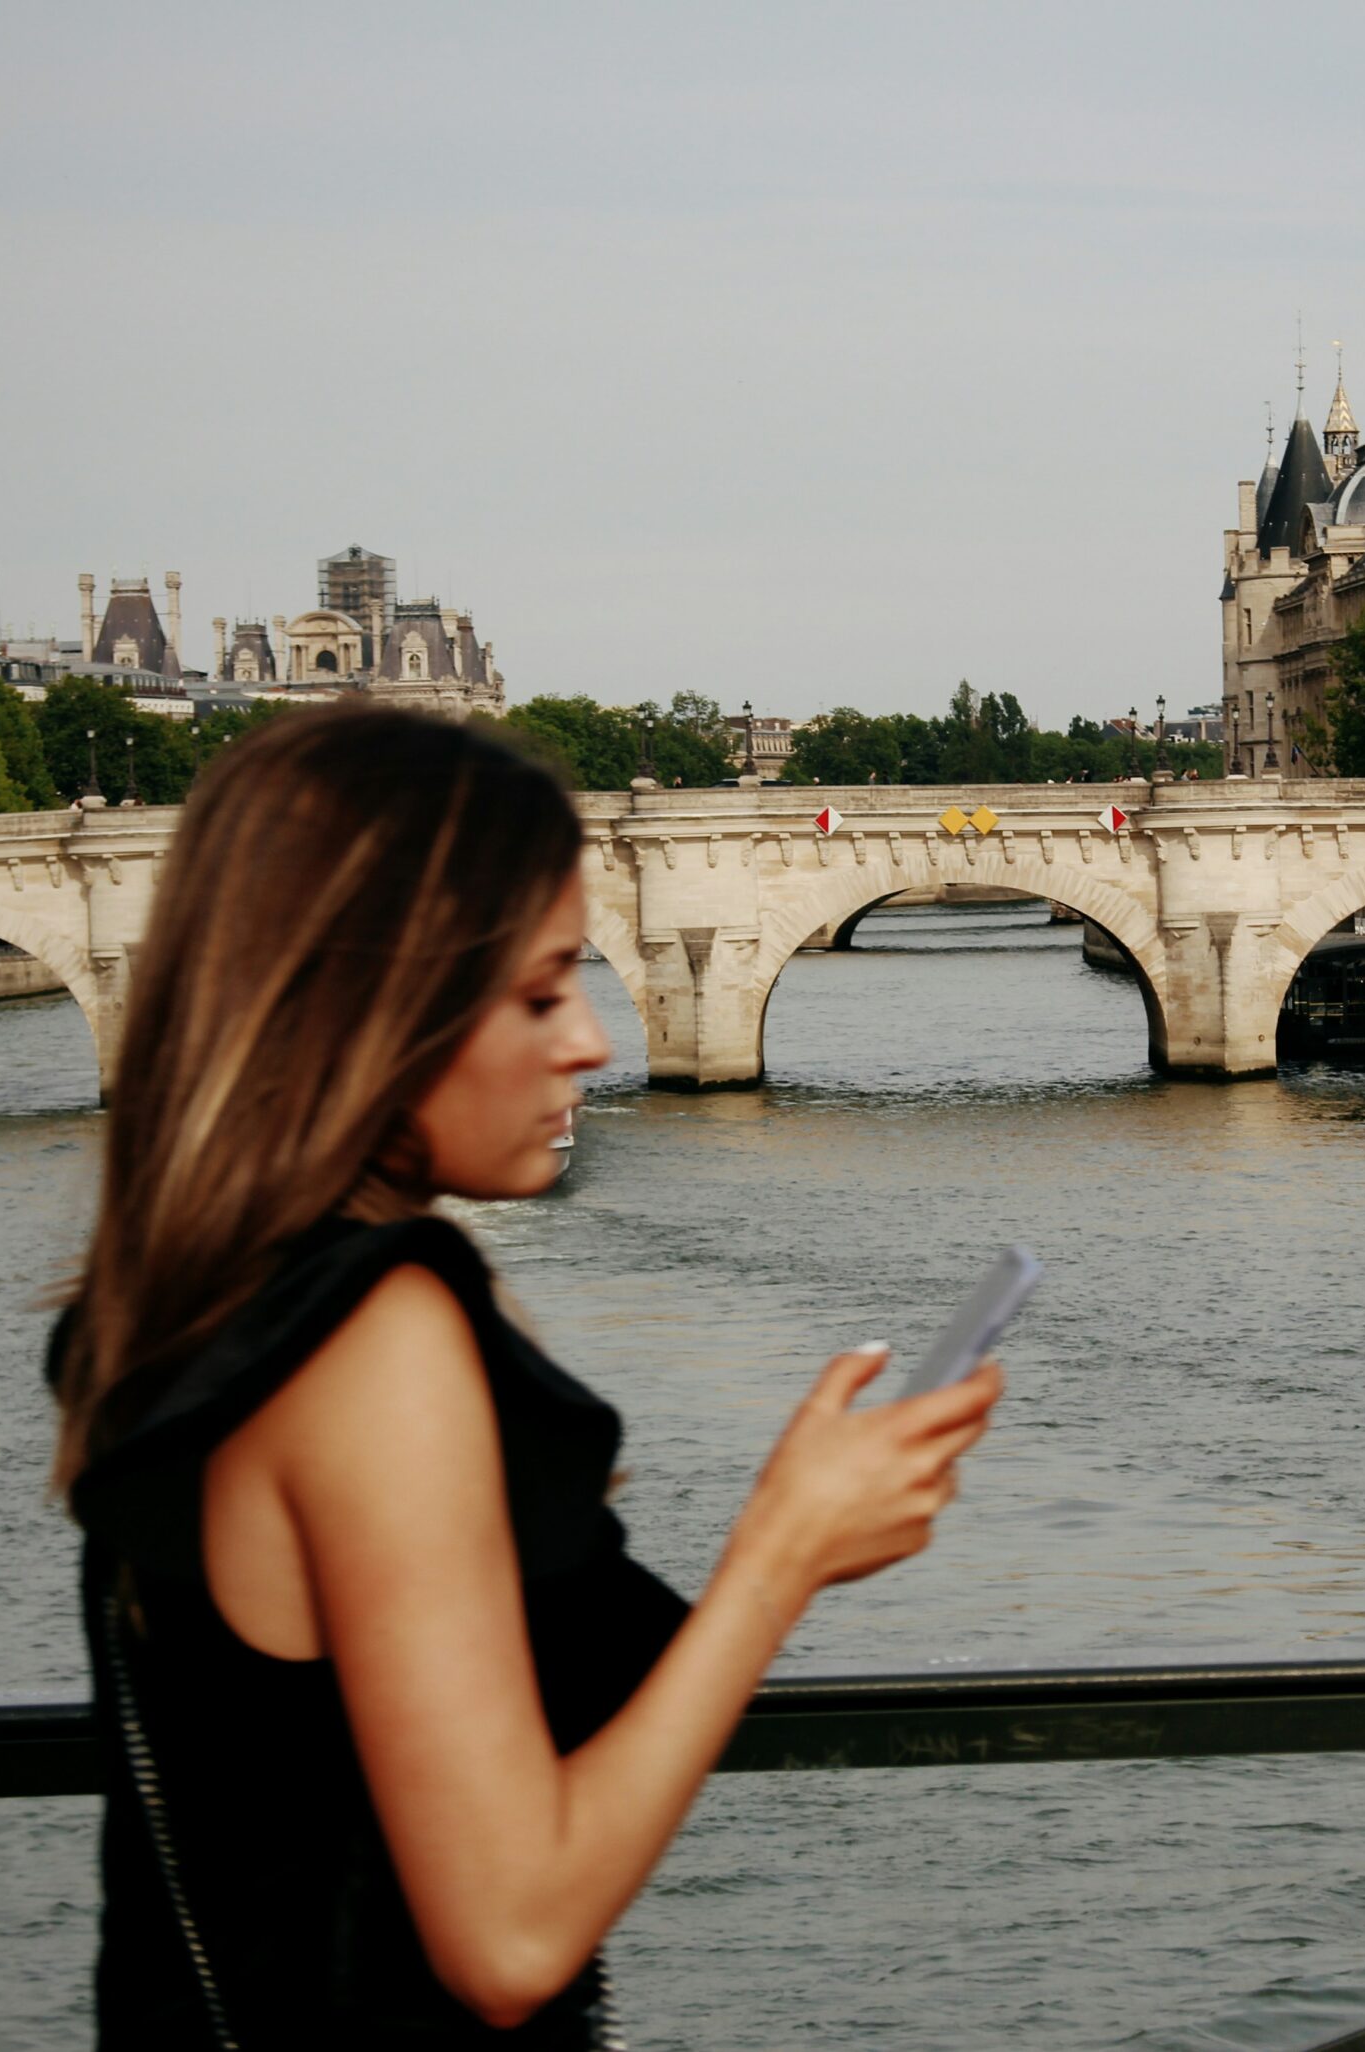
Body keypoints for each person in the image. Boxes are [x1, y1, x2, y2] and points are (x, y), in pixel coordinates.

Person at [48, 706, 999, 2047]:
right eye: (545, 989)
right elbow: (509, 1933)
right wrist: (780, 1558)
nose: (595, 1044)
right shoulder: (374, 1335)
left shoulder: (201, 1305)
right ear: (383, 997)